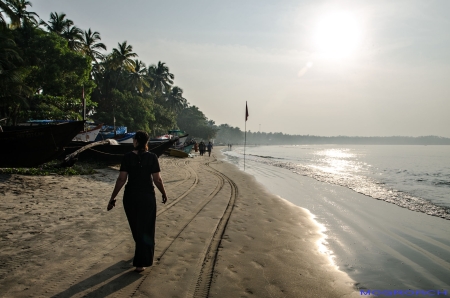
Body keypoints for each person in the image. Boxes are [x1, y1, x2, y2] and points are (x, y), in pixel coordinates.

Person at [107, 130, 168, 273]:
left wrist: (112, 197)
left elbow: (121, 179)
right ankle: (141, 262)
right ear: (147, 142)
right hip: (147, 197)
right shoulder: (152, 157)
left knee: (136, 226)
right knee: (146, 227)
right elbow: (157, 179)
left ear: (135, 141)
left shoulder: (127, 157)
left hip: (130, 196)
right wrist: (164, 193)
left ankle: (140, 252)